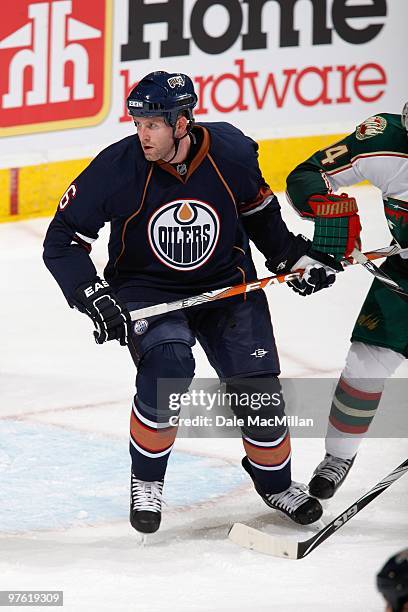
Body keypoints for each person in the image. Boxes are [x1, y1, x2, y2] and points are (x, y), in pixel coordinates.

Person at [43, 71, 336, 534]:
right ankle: (147, 481)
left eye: (153, 124)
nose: (143, 134)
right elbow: (62, 240)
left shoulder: (231, 152)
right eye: (138, 123)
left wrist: (291, 256)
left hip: (226, 285)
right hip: (147, 290)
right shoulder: (116, 168)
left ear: (182, 122)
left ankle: (275, 483)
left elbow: (257, 211)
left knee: (259, 393)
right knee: (168, 370)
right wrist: (92, 294)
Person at [286, 105, 408, 499]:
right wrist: (328, 210)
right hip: (402, 278)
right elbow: (304, 175)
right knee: (362, 367)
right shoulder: (385, 142)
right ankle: (339, 456)